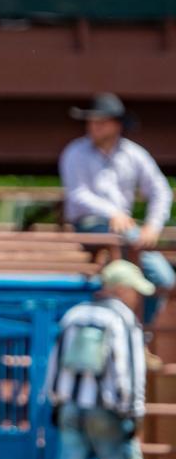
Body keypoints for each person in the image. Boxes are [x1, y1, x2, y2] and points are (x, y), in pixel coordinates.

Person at [37, 260, 172, 459]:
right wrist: (133, 413)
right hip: (108, 411)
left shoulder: (75, 315)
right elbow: (127, 373)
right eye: (134, 291)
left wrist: (56, 401)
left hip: (71, 406)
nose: (137, 297)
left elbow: (55, 364)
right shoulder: (123, 321)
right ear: (122, 289)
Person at [60, 93, 174, 334]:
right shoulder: (75, 152)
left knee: (160, 276)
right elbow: (78, 195)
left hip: (125, 234)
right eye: (91, 121)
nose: (93, 126)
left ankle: (141, 330)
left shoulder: (134, 154)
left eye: (100, 121)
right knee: (157, 272)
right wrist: (114, 213)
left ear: (117, 125)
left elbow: (161, 191)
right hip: (91, 227)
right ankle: (137, 330)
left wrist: (152, 226)